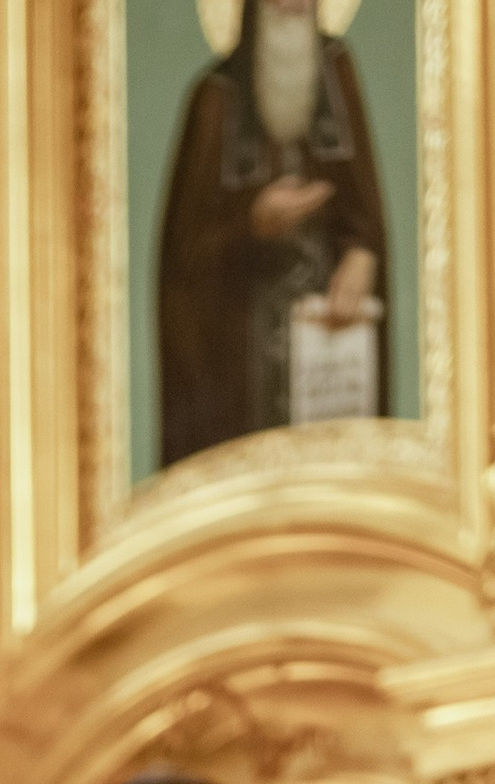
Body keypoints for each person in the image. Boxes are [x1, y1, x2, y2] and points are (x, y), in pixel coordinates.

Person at [156, 0, 388, 466]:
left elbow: (364, 212)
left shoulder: (337, 76)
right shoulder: (214, 97)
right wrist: (250, 223)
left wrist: (363, 254)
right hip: (239, 371)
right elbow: (182, 259)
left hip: (328, 359)